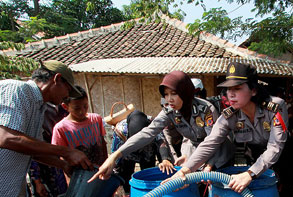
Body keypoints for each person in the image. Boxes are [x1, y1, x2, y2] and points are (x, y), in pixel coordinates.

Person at [167, 62, 293, 197]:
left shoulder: (275, 107)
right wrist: (186, 170)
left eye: (237, 88)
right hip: (256, 154)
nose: (231, 94)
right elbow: (210, 142)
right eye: (229, 89)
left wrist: (250, 173)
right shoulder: (230, 114)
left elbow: (274, 147)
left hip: (283, 154)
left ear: (253, 90)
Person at [90, 70, 234, 182]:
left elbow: (213, 142)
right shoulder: (170, 111)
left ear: (185, 92)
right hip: (196, 152)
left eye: (174, 93)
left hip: (219, 153)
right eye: (166, 94)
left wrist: (209, 165)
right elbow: (148, 132)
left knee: (217, 188)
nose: (169, 99)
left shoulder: (206, 110)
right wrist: (115, 155)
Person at [0, 60, 92, 197]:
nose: (67, 95)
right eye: (68, 90)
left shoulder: (39, 107)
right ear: (57, 79)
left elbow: (33, 150)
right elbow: (6, 138)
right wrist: (66, 152)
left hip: (9, 193)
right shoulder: (17, 90)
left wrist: (63, 164)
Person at [52, 86, 108, 170]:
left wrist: (106, 163)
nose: (82, 111)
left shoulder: (96, 119)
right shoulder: (61, 128)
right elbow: (61, 155)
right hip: (78, 175)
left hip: (100, 170)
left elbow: (103, 143)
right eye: (76, 108)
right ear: (65, 107)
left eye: (85, 106)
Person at [28, 103, 69, 197]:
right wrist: (37, 181)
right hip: (45, 169)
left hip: (63, 165)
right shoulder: (37, 110)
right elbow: (32, 151)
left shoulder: (62, 108)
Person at [111, 110, 163, 192]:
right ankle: (129, 194)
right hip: (128, 153)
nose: (138, 145)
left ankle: (149, 195)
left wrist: (163, 161)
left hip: (148, 151)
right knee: (126, 175)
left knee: (148, 175)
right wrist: (116, 174)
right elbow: (115, 154)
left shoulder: (155, 126)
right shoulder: (120, 131)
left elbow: (161, 146)